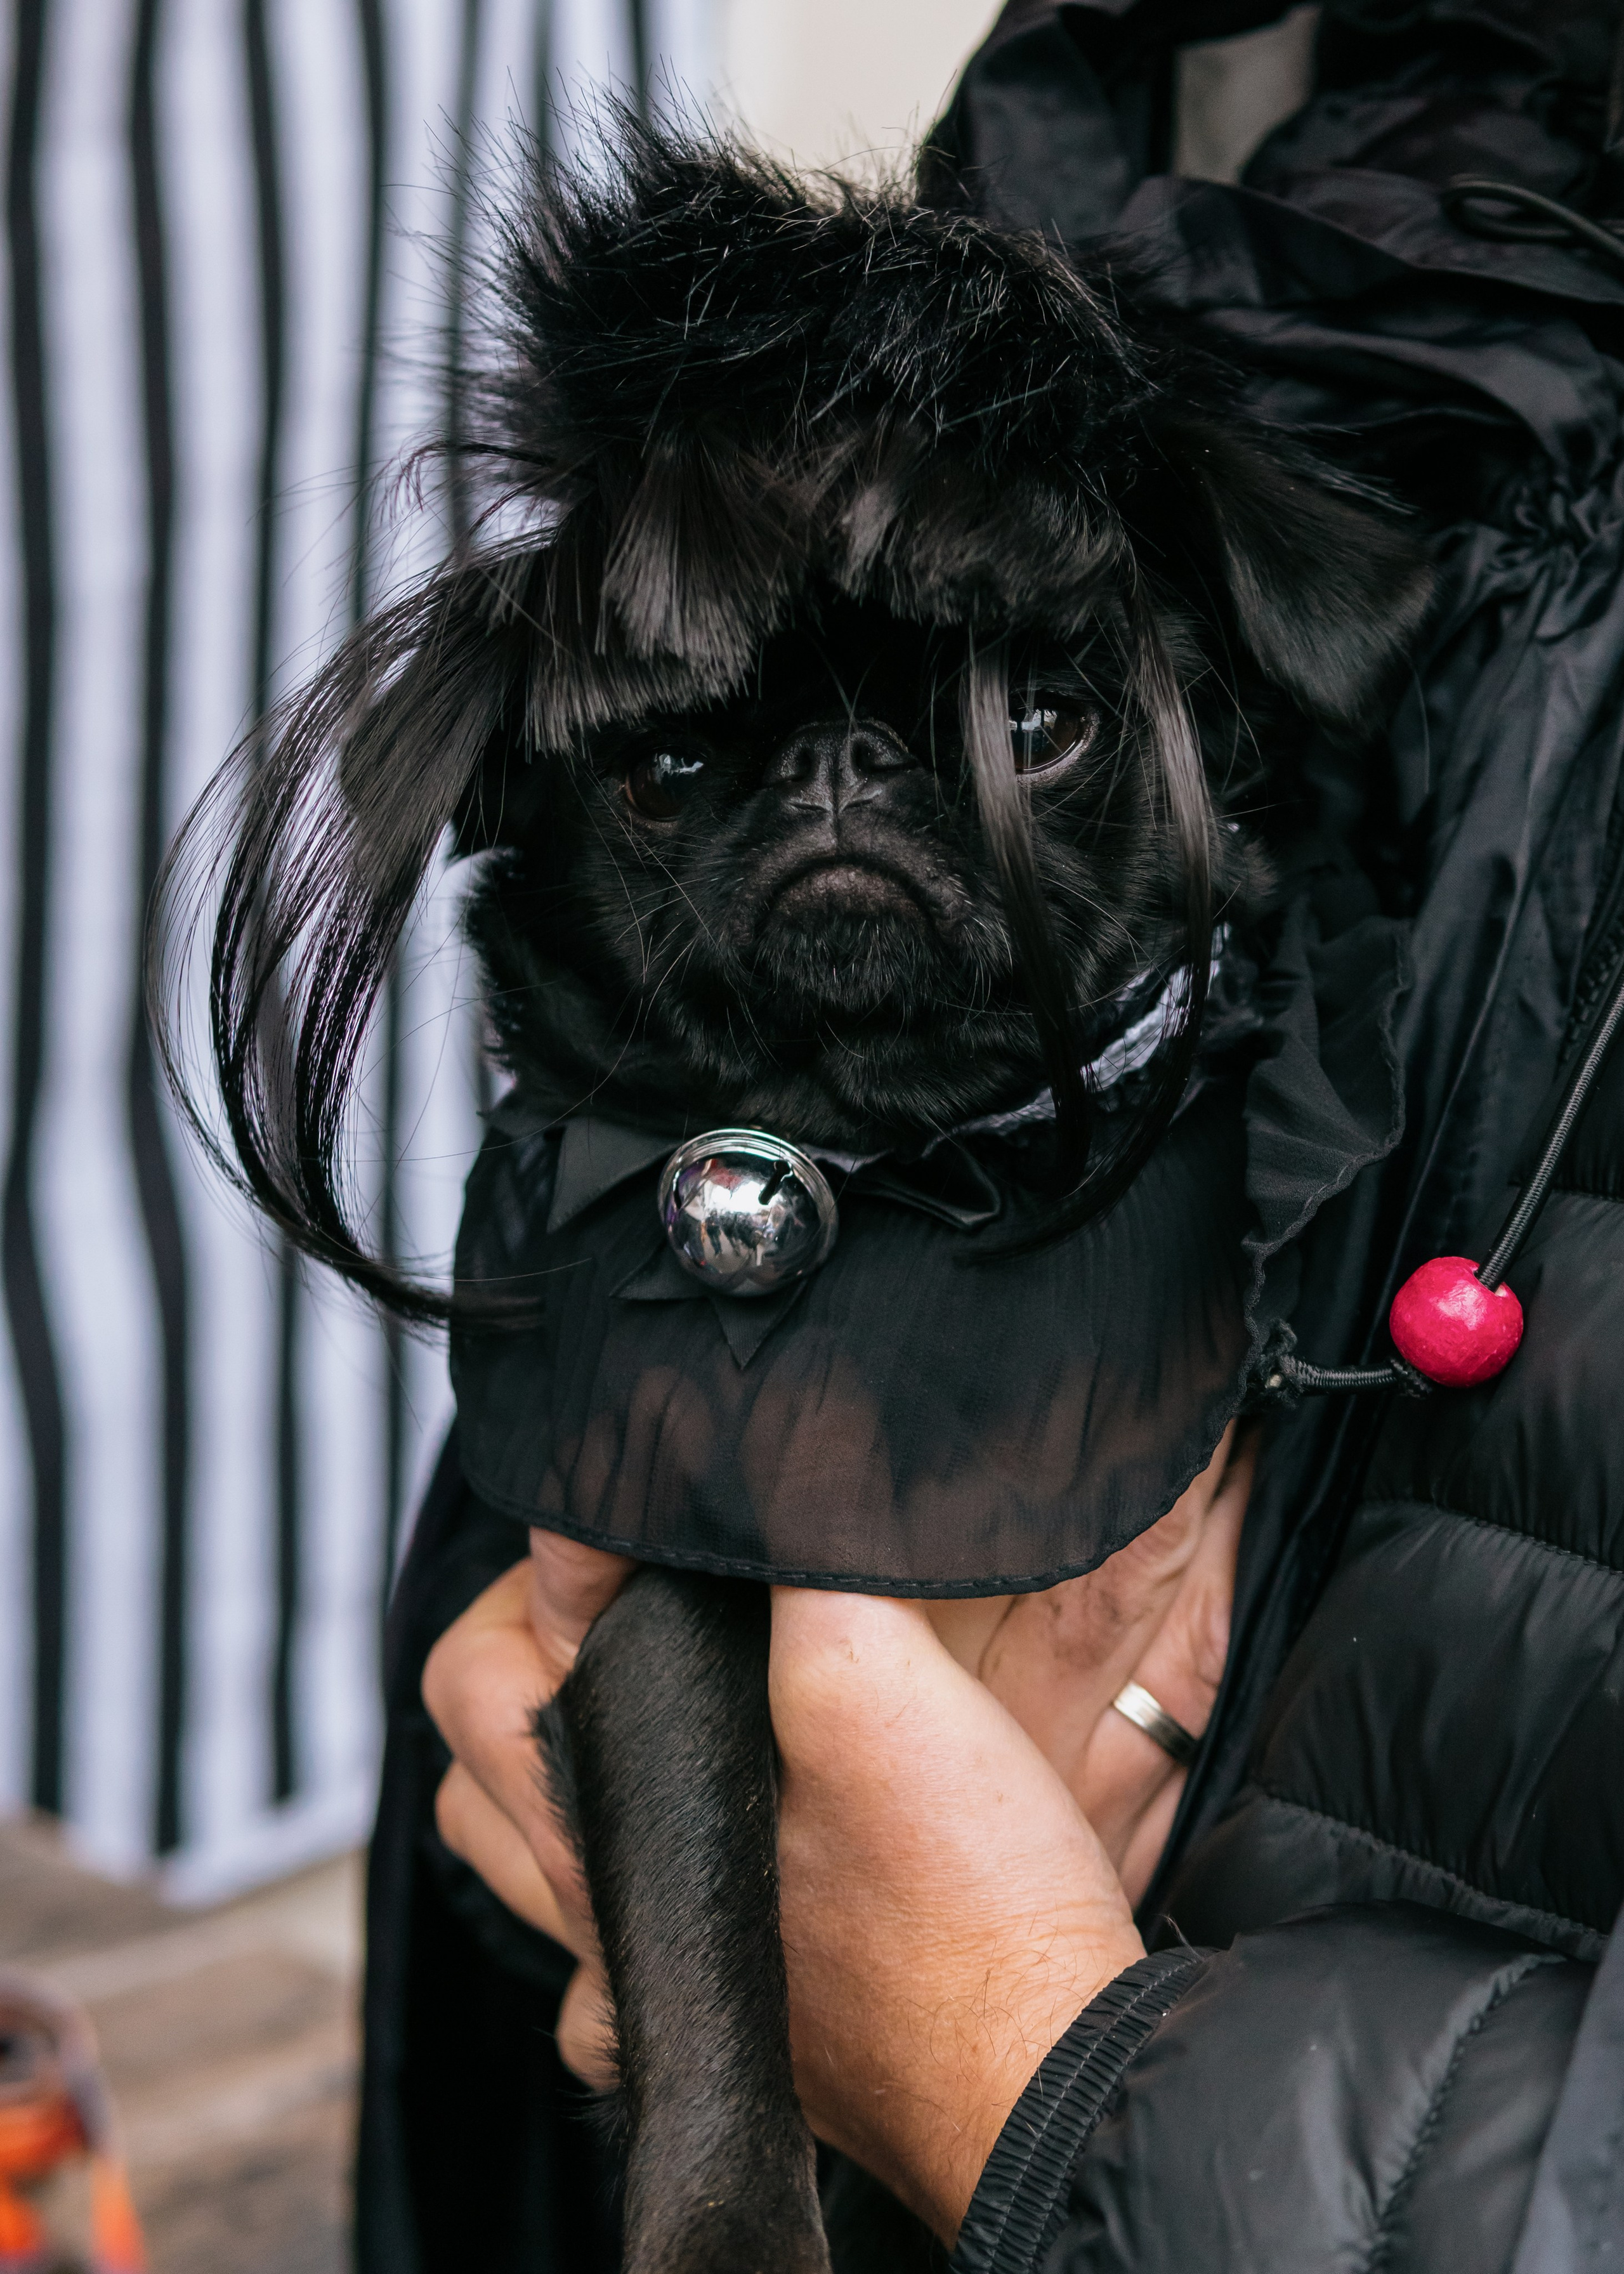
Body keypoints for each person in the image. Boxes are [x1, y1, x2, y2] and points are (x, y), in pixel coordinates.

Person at [356, 5, 1624, 2268]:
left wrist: (1018, 2061)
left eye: (1021, 725)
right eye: (686, 767)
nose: (854, 795)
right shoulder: (1054, 163)